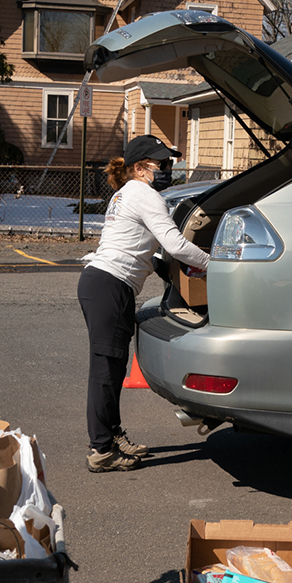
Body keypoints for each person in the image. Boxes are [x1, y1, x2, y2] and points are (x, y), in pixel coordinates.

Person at [80, 135, 210, 472]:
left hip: (103, 283)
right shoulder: (144, 194)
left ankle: (110, 436)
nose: (169, 169)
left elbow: (133, 245)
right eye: (163, 164)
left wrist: (158, 266)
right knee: (105, 372)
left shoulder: (125, 194)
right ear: (140, 168)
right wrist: (215, 264)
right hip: (111, 285)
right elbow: (176, 244)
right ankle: (102, 450)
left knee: (111, 367)